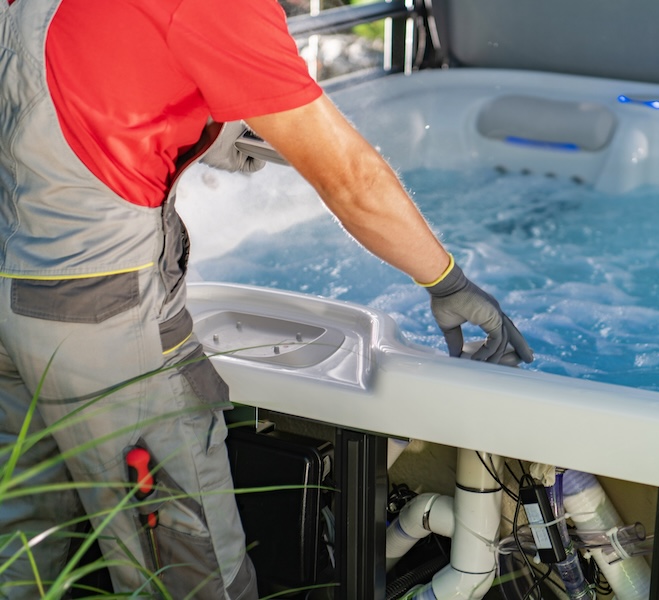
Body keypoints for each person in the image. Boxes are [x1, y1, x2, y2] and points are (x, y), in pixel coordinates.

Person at [0, 0, 532, 597]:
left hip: (11, 290)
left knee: (18, 547)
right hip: (101, 322)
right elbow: (351, 181)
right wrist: (447, 282)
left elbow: (90, 82)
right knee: (188, 574)